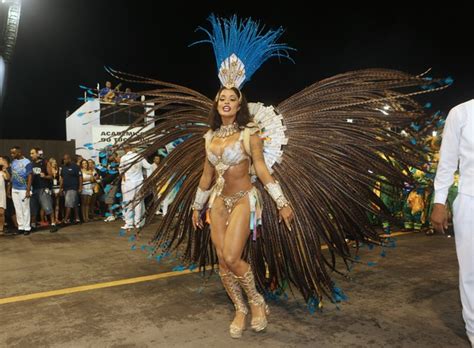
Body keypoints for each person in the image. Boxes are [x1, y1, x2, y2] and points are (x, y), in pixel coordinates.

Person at [114, 15, 450, 339]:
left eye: (231, 98)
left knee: (233, 257)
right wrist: (195, 207)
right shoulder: (209, 138)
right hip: (217, 200)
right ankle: (240, 308)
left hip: (245, 199)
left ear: (239, 103)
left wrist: (283, 202)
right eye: (221, 99)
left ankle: (256, 303)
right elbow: (205, 175)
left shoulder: (251, 135)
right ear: (215, 105)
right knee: (221, 261)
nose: (226, 102)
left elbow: (261, 170)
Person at [431, 99, 474, 346]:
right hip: (470, 200)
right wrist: (439, 202)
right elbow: (447, 162)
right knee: (471, 271)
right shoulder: (461, 113)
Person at [119, 144, 152, 230]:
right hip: (139, 182)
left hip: (128, 183)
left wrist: (123, 177)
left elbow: (121, 170)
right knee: (138, 203)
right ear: (132, 148)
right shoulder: (139, 156)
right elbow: (149, 167)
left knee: (128, 203)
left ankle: (129, 223)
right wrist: (147, 178)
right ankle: (138, 223)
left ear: (125, 149)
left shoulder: (123, 158)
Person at [29, 148, 58, 232]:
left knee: (47, 207)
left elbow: (51, 176)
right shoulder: (31, 164)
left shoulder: (45, 162)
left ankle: (53, 224)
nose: (31, 155)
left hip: (43, 188)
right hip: (34, 189)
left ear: (38, 154)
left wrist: (44, 176)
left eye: (32, 153)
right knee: (33, 208)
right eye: (30, 153)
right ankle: (33, 225)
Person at [9, 146, 33, 235]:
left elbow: (30, 176)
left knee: (25, 208)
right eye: (11, 153)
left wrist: (28, 190)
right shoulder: (13, 162)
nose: (11, 155)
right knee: (18, 209)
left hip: (24, 188)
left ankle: (27, 228)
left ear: (19, 152)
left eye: (13, 153)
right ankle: (21, 226)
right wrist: (9, 189)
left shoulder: (27, 162)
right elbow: (13, 176)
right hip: (15, 188)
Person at [60, 154, 82, 224]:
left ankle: (66, 219)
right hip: (65, 188)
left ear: (69, 159)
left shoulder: (75, 167)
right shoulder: (63, 167)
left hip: (73, 188)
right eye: (64, 159)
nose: (65, 160)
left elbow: (80, 177)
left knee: (68, 204)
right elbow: (62, 179)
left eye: (66, 159)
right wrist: (61, 188)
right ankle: (77, 218)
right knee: (74, 204)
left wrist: (80, 187)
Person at [49, 158, 62, 224]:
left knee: (57, 204)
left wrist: (60, 189)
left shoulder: (59, 170)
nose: (55, 163)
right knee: (51, 204)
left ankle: (56, 218)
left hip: (57, 187)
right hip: (51, 188)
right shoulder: (49, 170)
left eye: (55, 162)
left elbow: (60, 180)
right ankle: (52, 219)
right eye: (53, 162)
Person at [0, 156, 11, 236]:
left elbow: (8, 178)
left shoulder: (2, 172)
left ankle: (1, 228)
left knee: (1, 213)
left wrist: (5, 170)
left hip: (1, 194)